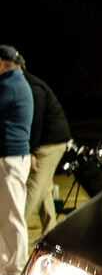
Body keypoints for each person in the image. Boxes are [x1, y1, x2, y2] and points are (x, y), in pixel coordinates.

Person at [21, 55, 72, 236]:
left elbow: (36, 121)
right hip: (48, 140)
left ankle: (14, 228)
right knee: (44, 189)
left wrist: (31, 151)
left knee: (34, 186)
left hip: (50, 143)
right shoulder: (26, 85)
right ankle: (52, 231)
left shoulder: (33, 88)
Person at [0, 45, 33, 275]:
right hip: (12, 157)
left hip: (11, 158)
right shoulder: (16, 82)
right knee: (6, 215)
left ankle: (15, 270)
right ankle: (6, 268)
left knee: (12, 216)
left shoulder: (9, 86)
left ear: (3, 63)